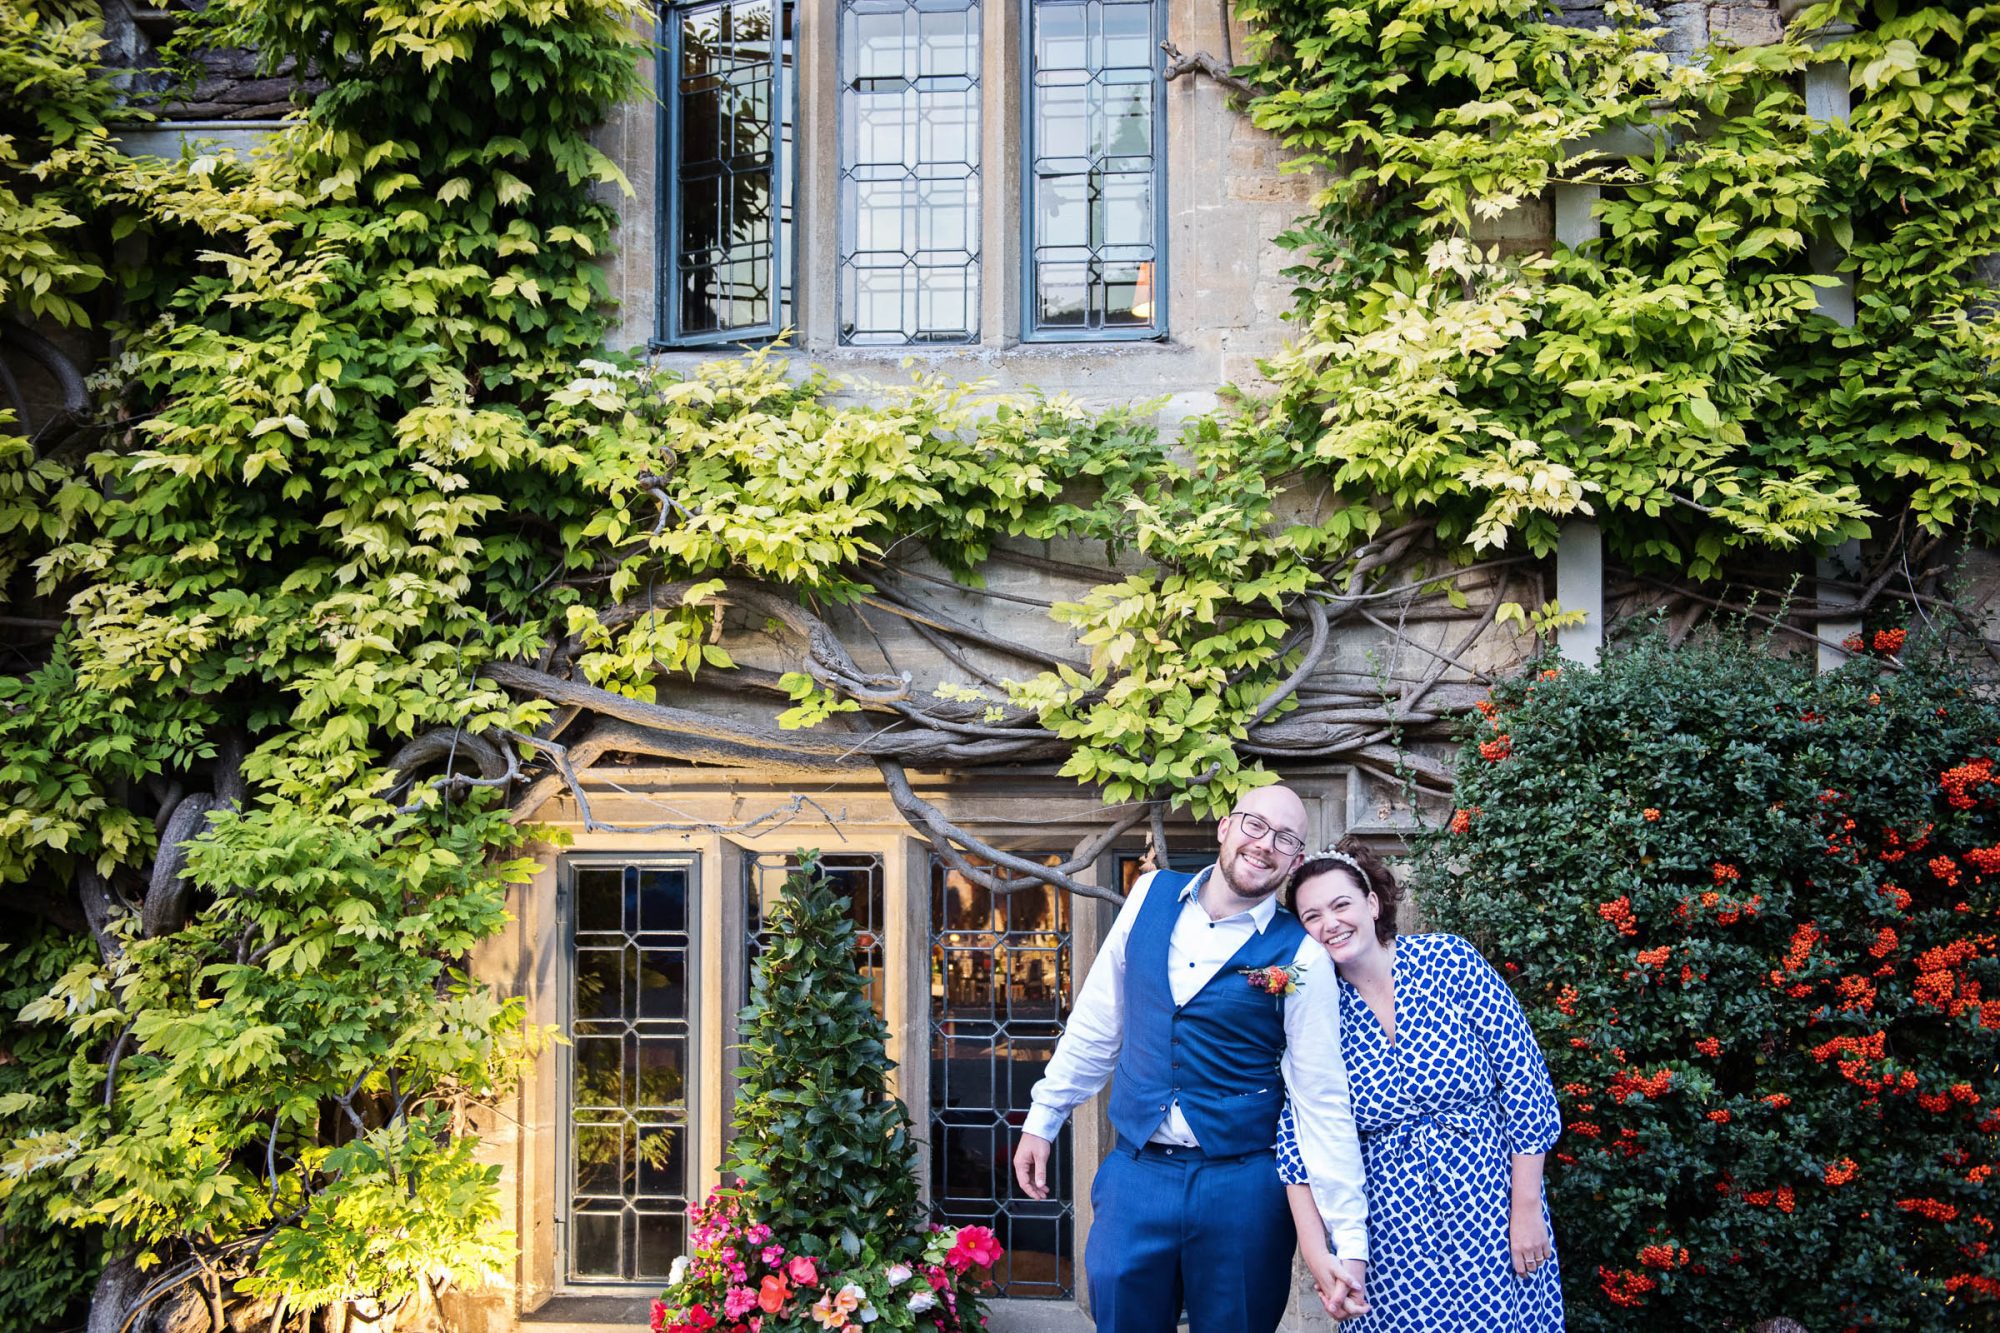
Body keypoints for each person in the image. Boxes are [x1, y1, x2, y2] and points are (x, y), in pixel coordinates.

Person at [1012, 785, 1371, 1333]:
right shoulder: (1149, 894)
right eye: (1254, 825)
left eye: (1284, 839)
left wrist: (1347, 1238)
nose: (1264, 845)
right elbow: (1097, 1020)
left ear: (1295, 860)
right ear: (1225, 828)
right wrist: (1044, 1117)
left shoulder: (1299, 954)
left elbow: (1320, 1096)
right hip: (1136, 1173)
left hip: (1244, 1187)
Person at [1275, 839, 1563, 1329]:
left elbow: (1524, 1081)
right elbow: (1298, 1134)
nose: (1330, 924)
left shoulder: (1449, 960)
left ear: (1371, 902)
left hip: (1488, 1205)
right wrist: (1316, 1247)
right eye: (1312, 916)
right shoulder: (1312, 1005)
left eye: (1341, 904)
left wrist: (1527, 1207)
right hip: (1388, 1230)